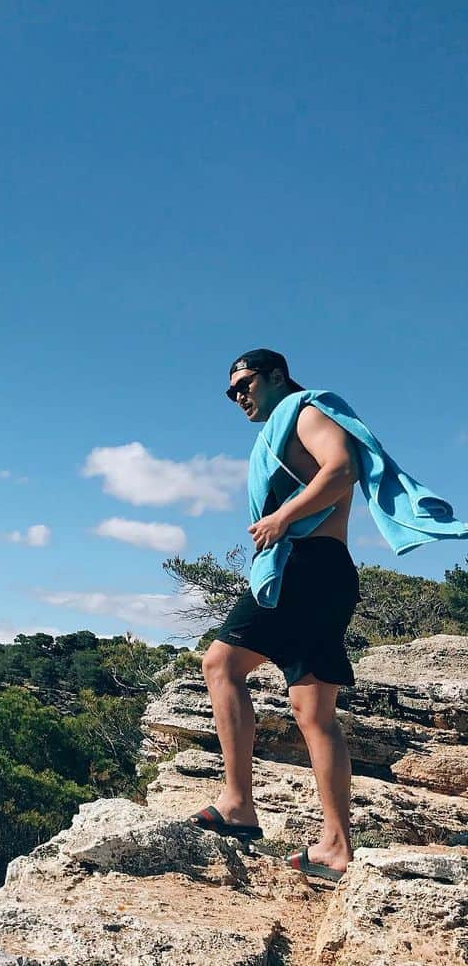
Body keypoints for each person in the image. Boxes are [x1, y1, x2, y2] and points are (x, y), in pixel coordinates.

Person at [193, 349, 361, 883]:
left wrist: (283, 517)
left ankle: (241, 805)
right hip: (318, 572)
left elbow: (343, 469)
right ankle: (335, 846)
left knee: (221, 665)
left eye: (244, 384)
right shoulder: (281, 427)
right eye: (231, 392)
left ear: (276, 376)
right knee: (312, 712)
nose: (238, 397)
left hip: (308, 568)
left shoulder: (307, 411)